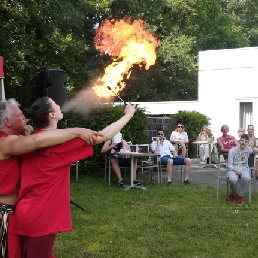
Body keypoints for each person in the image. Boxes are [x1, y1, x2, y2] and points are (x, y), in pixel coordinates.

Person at [15, 97, 135, 258]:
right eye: (56, 104)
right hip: (40, 216)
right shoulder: (60, 144)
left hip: (25, 210)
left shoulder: (31, 139)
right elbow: (104, 135)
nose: (59, 105)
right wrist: (128, 115)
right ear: (51, 114)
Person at [0, 98, 103, 258]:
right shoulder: (5, 141)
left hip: (16, 214)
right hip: (5, 215)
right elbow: (38, 140)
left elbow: (39, 139)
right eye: (19, 115)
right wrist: (78, 131)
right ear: (7, 121)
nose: (24, 117)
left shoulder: (18, 140)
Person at [226, 134, 258, 205]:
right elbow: (229, 164)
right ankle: (234, 194)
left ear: (248, 143)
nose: (244, 143)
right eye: (242, 141)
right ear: (239, 141)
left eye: (246, 141)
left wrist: (255, 149)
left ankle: (240, 195)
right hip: (233, 169)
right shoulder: (232, 150)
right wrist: (236, 170)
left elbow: (255, 151)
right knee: (232, 179)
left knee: (246, 178)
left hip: (244, 169)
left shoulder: (248, 149)